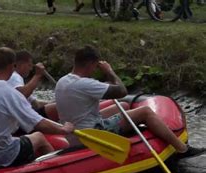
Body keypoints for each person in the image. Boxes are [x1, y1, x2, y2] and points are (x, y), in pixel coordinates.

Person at [55, 45, 188, 154]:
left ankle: (130, 131)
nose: (95, 70)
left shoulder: (62, 80)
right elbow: (122, 91)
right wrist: (109, 71)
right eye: (95, 67)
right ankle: (182, 148)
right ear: (90, 64)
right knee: (145, 112)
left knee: (123, 106)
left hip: (74, 130)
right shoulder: (85, 84)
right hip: (92, 133)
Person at [0, 47, 73, 168]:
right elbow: (38, 124)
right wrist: (63, 130)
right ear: (12, 66)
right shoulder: (9, 93)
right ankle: (54, 172)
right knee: (39, 137)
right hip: (2, 156)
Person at [7, 50, 58, 121]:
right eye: (29, 65)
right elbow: (21, 95)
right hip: (22, 121)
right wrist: (38, 75)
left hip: (27, 116)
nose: (31, 69)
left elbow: (36, 104)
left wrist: (54, 102)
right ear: (21, 64)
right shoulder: (14, 76)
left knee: (57, 105)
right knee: (57, 108)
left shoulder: (19, 83)